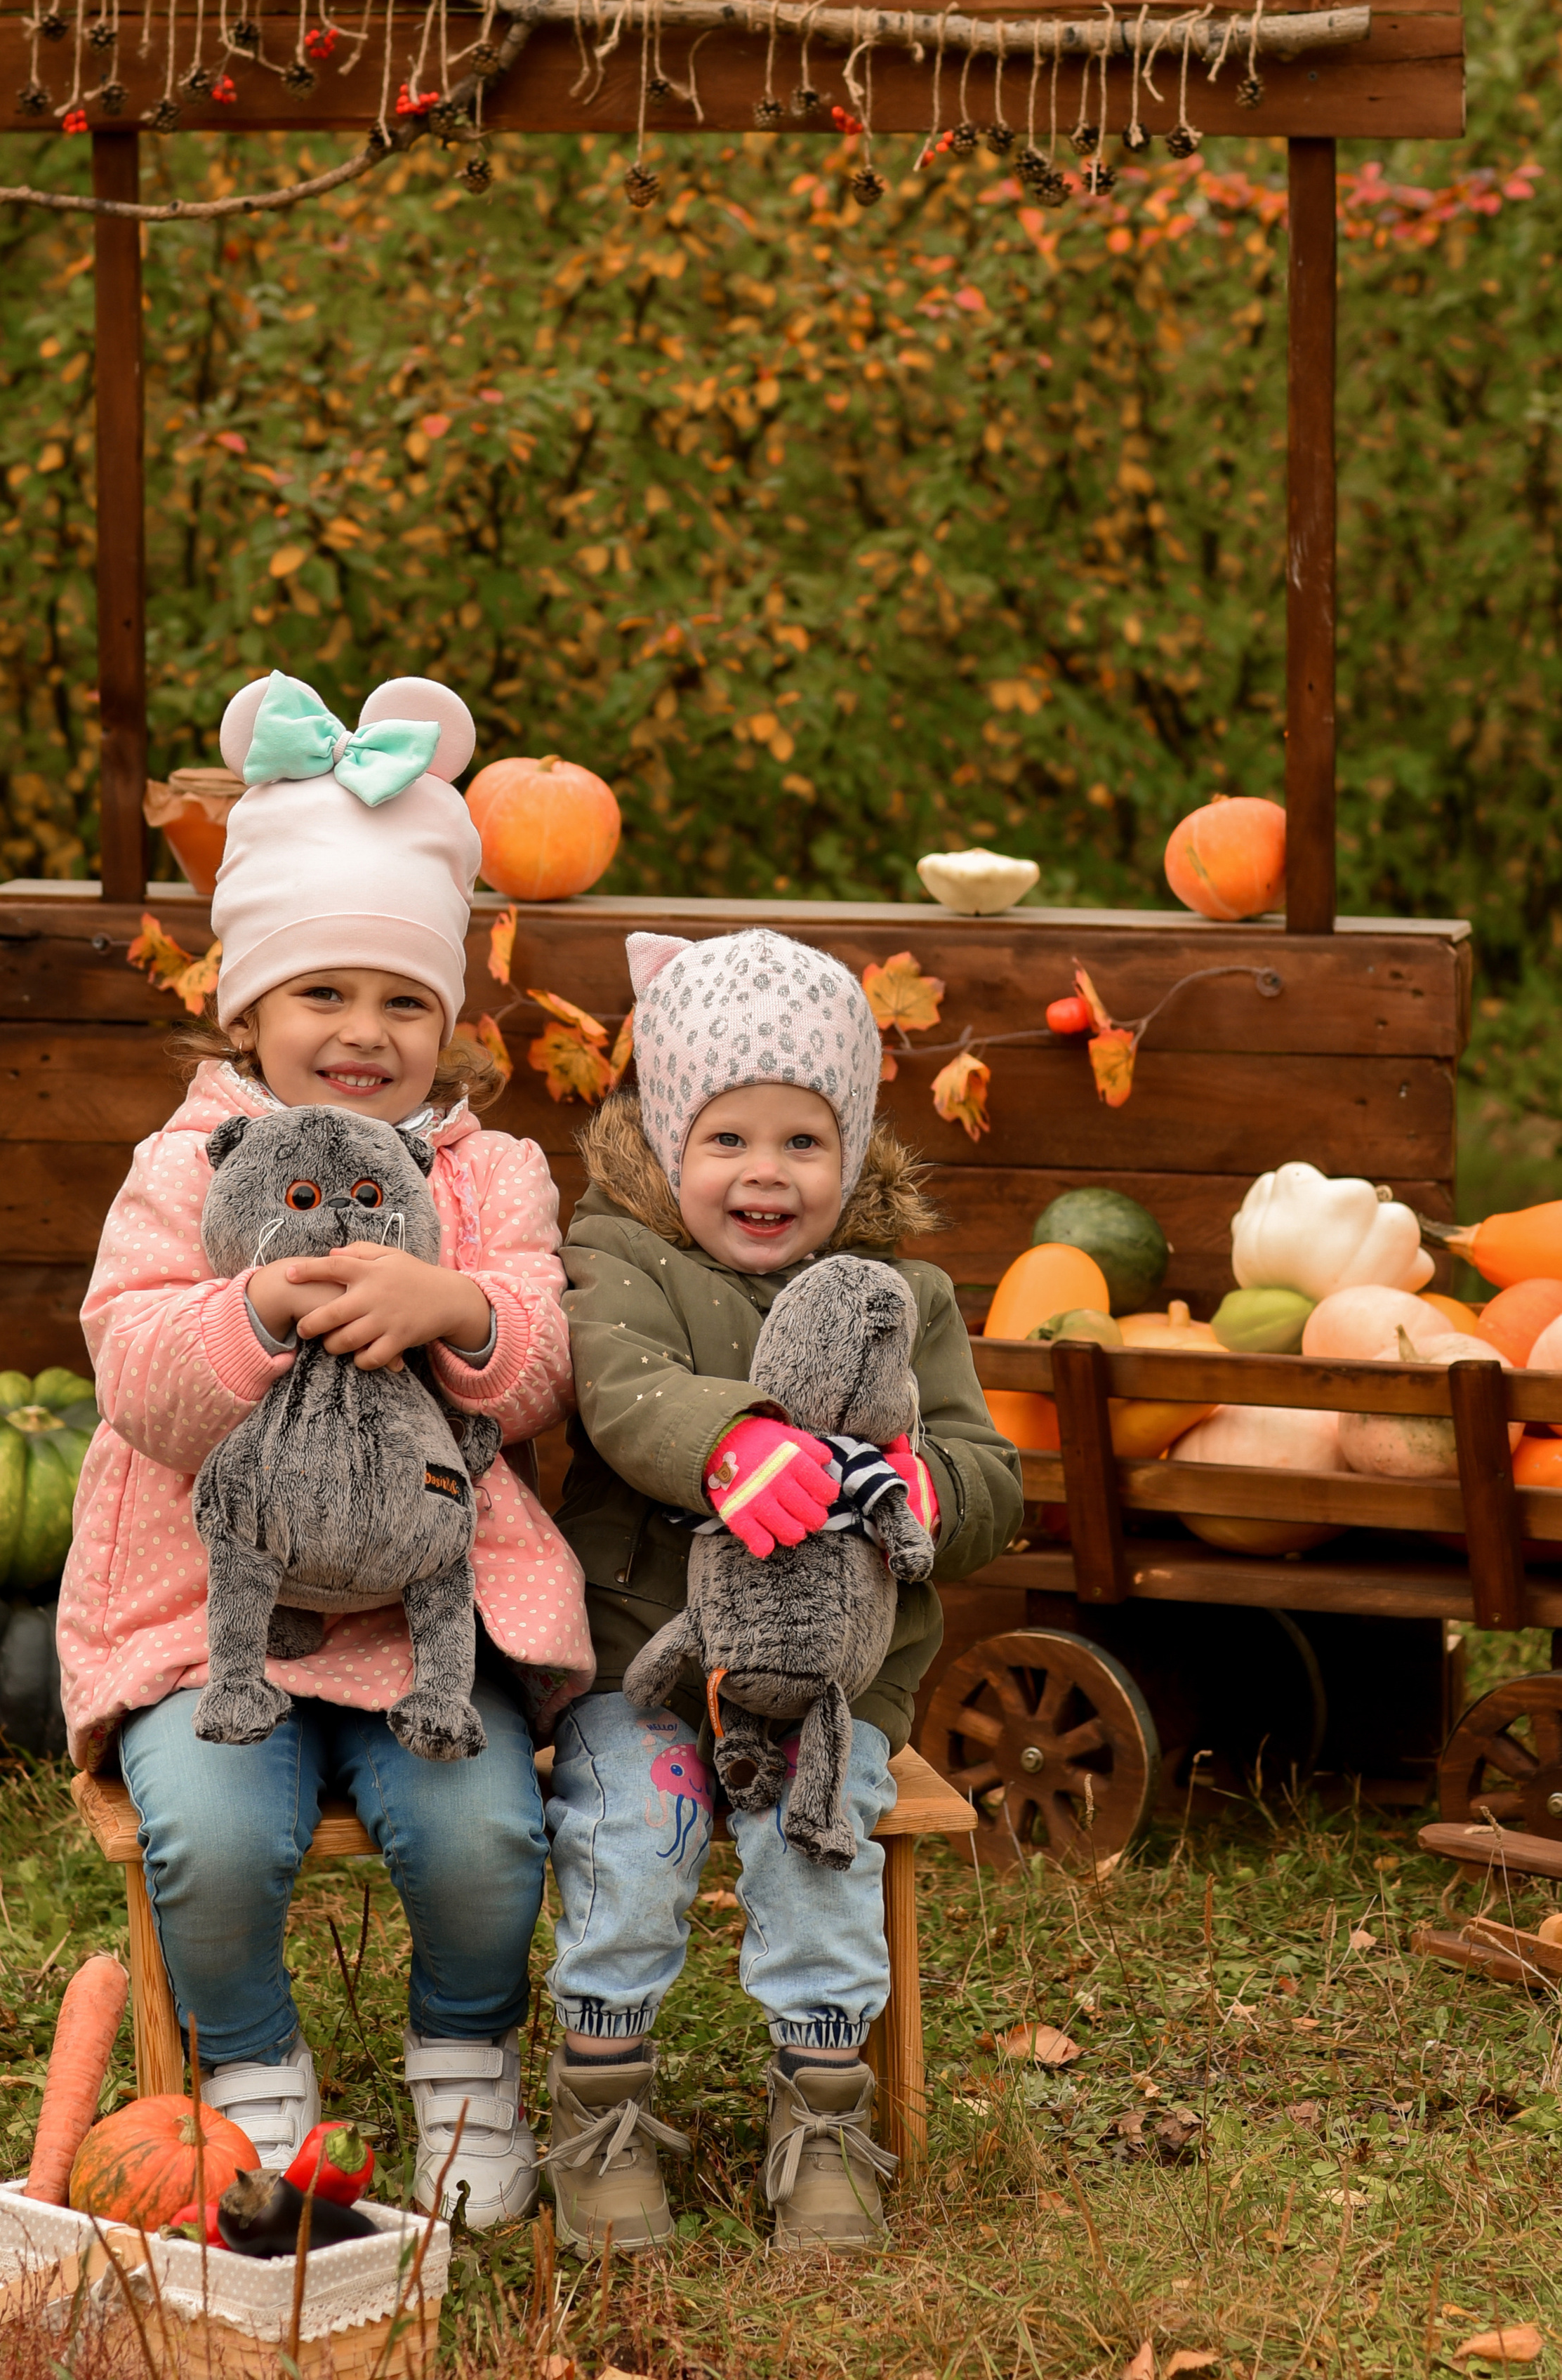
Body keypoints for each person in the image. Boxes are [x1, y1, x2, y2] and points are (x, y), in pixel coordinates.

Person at [56, 670, 592, 2226]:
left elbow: (540, 1363)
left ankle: (466, 2070)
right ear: (246, 1009)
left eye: (402, 1000)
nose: (363, 1033)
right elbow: (137, 1366)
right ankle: (254, 2086)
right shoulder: (188, 1166)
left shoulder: (489, 1174)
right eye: (323, 994)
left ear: (448, 1021)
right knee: (215, 1836)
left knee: (487, 1832)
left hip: (432, 1614)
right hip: (210, 1615)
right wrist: (252, 1314)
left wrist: (456, 1307)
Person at [543, 927, 1021, 2255]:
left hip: (834, 1675)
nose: (766, 1171)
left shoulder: (903, 1298)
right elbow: (615, 1386)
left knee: (815, 1853)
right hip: (648, 1661)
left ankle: (821, 2111)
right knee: (631, 1841)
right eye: (728, 1138)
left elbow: (992, 1466)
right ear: (667, 1149)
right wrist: (731, 1436)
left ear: (854, 1152)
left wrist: (925, 1490)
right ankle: (603, 2102)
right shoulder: (619, 1256)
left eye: (804, 1141)